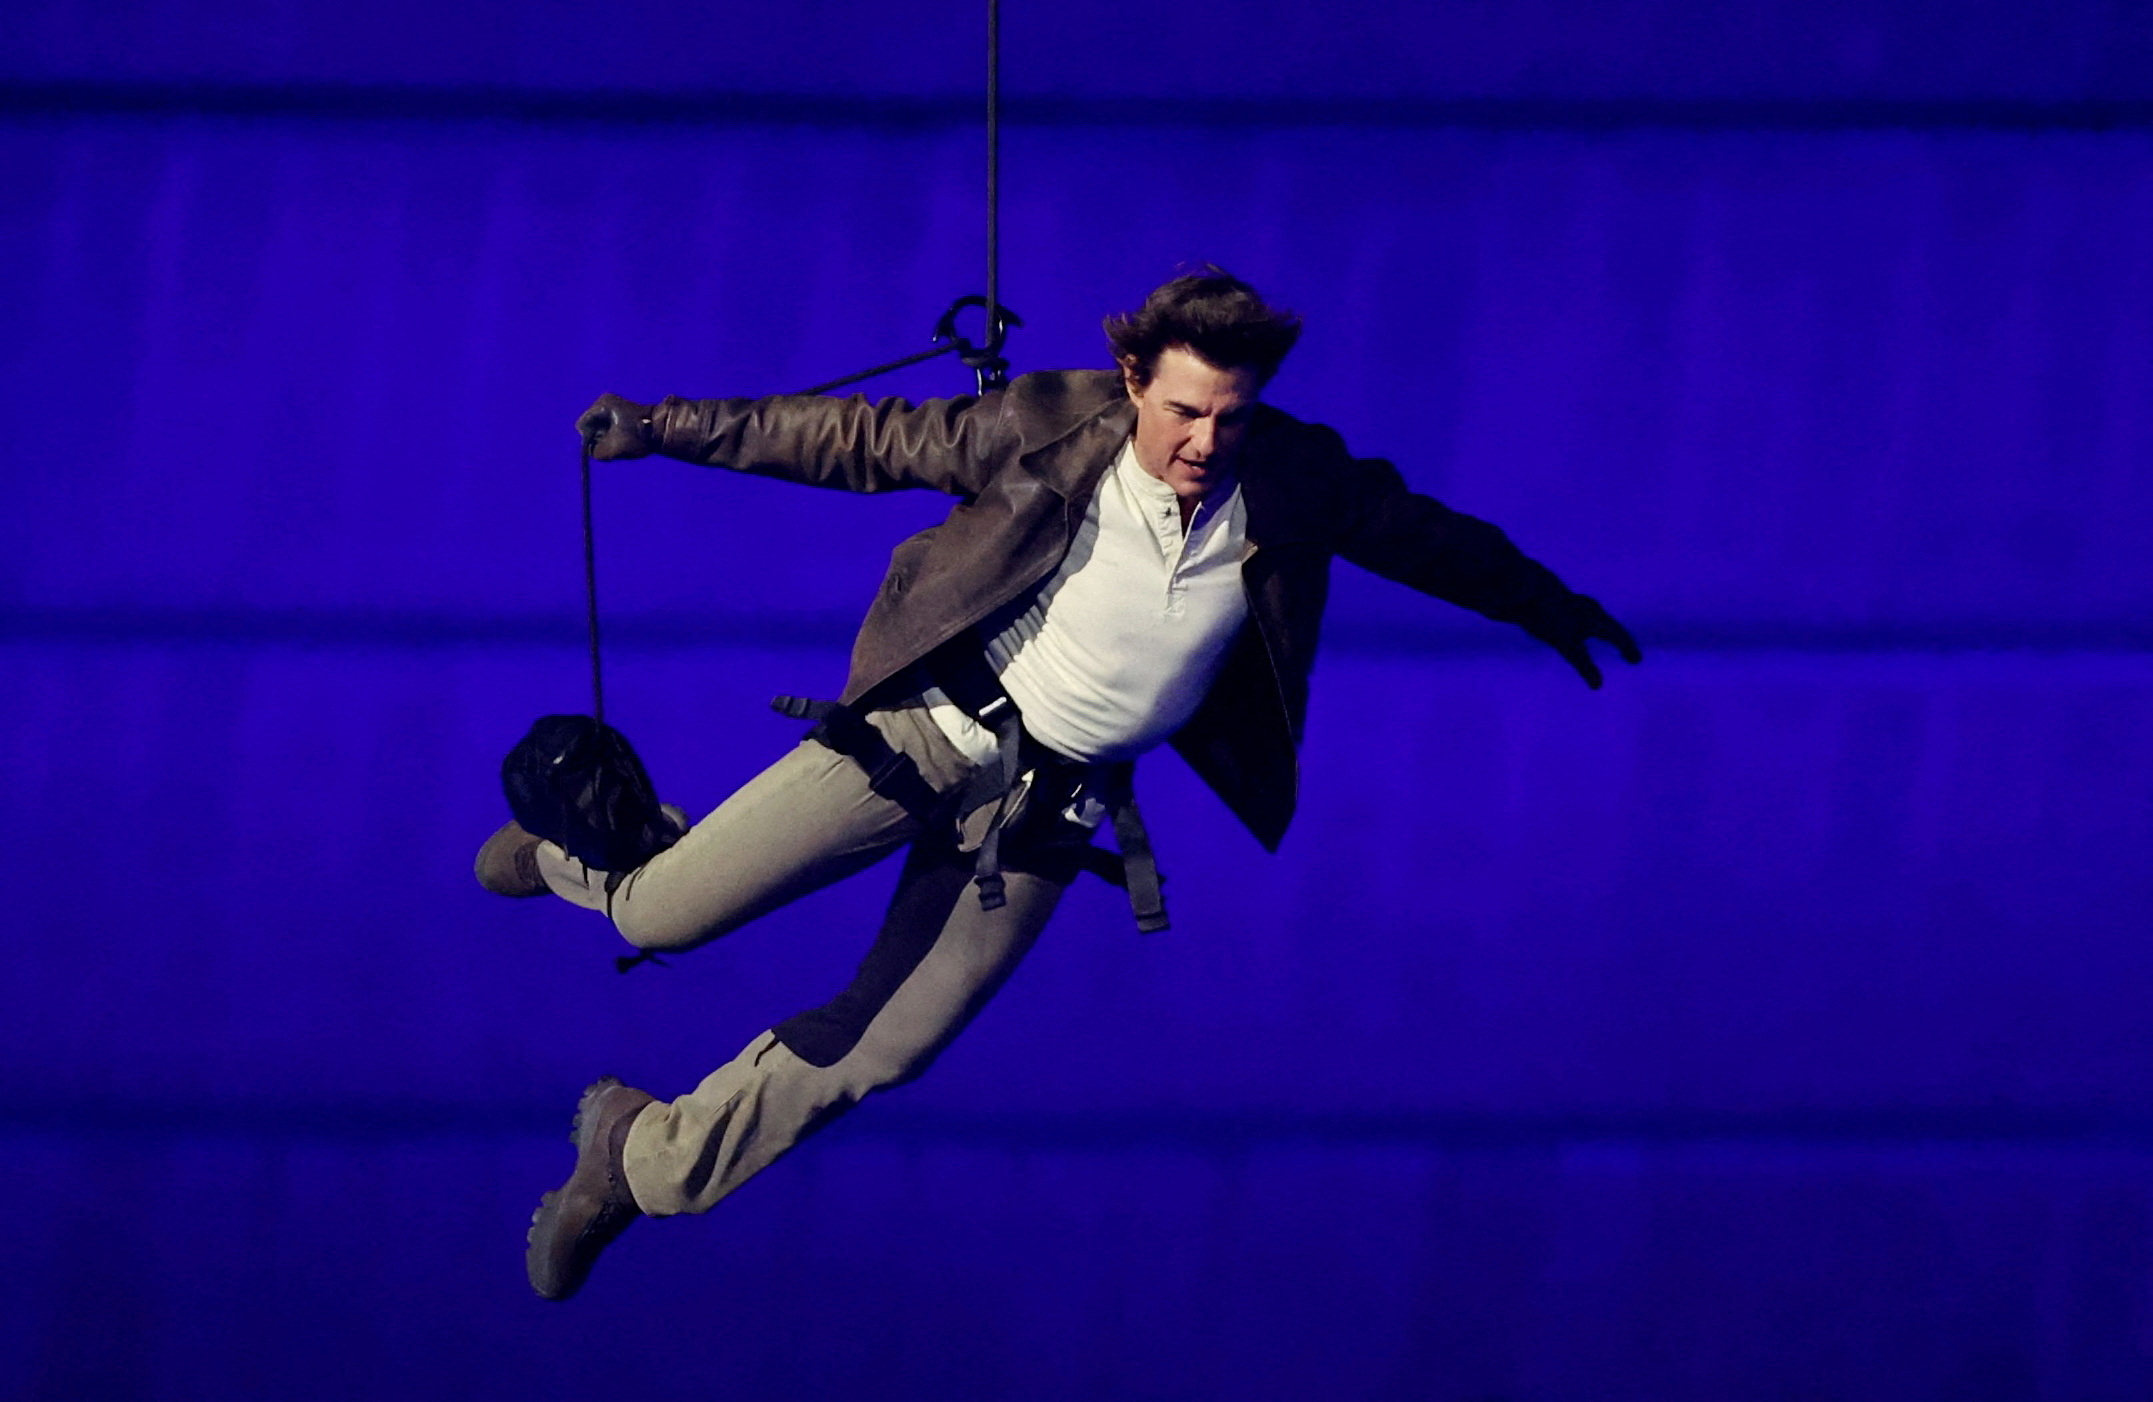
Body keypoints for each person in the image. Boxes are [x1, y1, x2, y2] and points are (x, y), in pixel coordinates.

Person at [475, 268, 1641, 1300]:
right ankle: (562, 859)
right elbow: (858, 440)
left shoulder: (1292, 475)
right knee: (663, 908)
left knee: (891, 1044)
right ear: (1133, 378)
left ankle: (639, 1157)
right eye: (1181, 410)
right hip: (926, 732)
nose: (1201, 441)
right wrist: (664, 426)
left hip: (1045, 806)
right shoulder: (1045, 424)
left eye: (1228, 418)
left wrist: (1545, 604)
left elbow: (1428, 537)